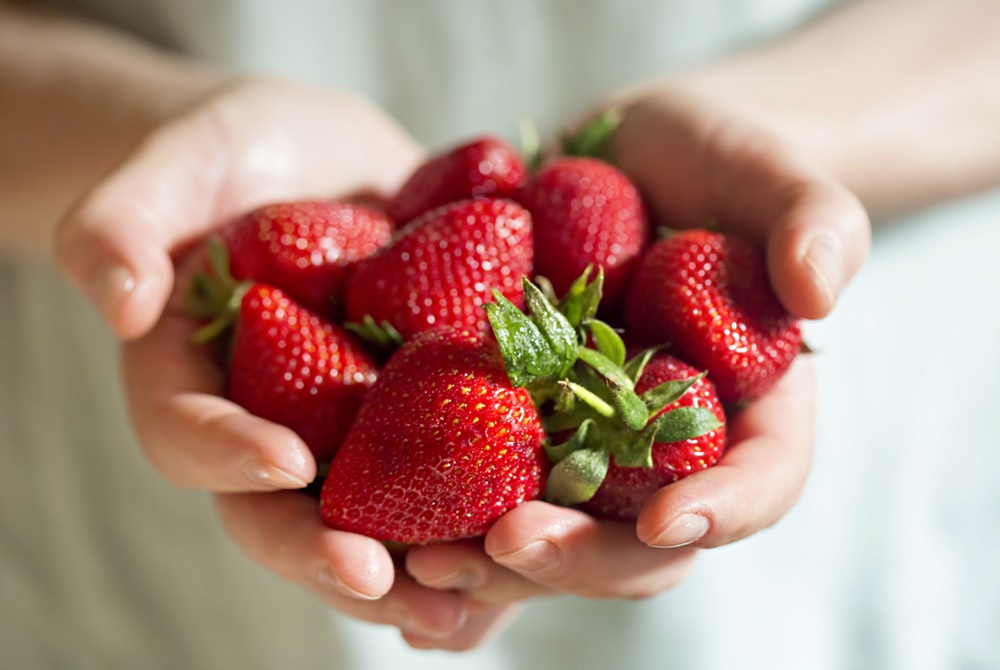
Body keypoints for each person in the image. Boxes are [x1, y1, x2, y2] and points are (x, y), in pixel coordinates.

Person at [2, 0, 998, 667]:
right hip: (145, 584)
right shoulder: (480, 356)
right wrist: (135, 135)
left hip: (854, 555)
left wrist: (777, 126)